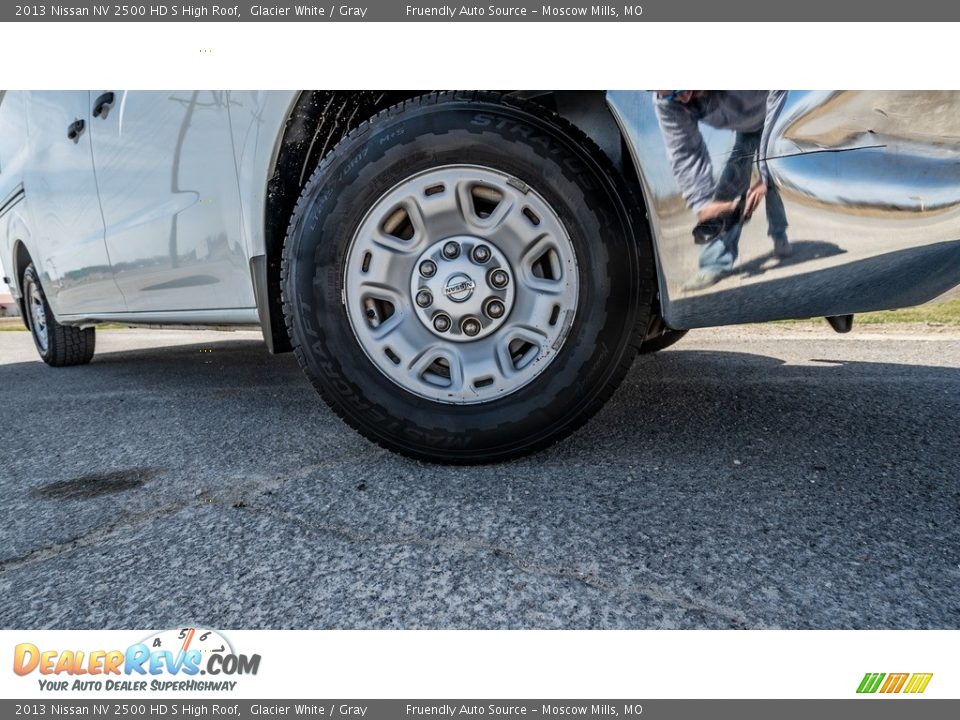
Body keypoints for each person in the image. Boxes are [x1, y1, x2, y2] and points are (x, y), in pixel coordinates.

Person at [655, 91, 791, 291]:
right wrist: (704, 205)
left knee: (771, 182)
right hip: (745, 128)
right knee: (730, 183)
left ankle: (780, 236)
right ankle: (713, 265)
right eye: (670, 96)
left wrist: (766, 170)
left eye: (680, 89)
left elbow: (779, 92)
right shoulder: (667, 102)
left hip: (779, 116)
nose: (682, 99)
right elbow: (684, 154)